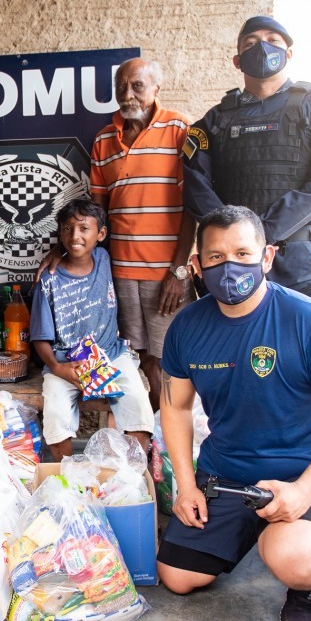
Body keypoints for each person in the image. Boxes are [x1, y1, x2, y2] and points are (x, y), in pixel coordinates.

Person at [157, 205, 311, 621]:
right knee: (177, 579)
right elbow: (175, 406)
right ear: (197, 266)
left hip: (304, 473)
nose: (230, 266)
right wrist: (185, 485)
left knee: (294, 561)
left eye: (242, 253)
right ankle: (251, 531)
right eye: (216, 257)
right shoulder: (186, 326)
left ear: (268, 257)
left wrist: (305, 490)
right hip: (227, 475)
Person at [182, 16, 311, 319]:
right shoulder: (213, 122)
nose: (262, 47)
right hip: (233, 263)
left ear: (289, 53)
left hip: (296, 259)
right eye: (250, 43)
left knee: (301, 346)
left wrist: (262, 233)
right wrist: (238, 241)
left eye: (273, 40)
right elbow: (196, 186)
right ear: (237, 60)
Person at [90, 58, 196, 413]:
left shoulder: (179, 128)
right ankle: (154, 438)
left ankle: (175, 439)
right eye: (122, 87)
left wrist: (179, 272)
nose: (128, 94)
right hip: (121, 271)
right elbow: (97, 210)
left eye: (137, 85)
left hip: (166, 272)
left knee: (172, 359)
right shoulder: (105, 139)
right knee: (143, 356)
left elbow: (192, 207)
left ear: (155, 89)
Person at [29, 199, 156, 461]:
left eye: (84, 228)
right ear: (60, 234)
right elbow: (40, 337)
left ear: (100, 234)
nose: (75, 236)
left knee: (138, 406)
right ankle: (67, 475)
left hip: (112, 356)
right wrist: (56, 367)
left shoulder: (103, 258)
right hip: (66, 363)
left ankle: (133, 479)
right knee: (56, 416)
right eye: (67, 229)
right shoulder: (49, 279)